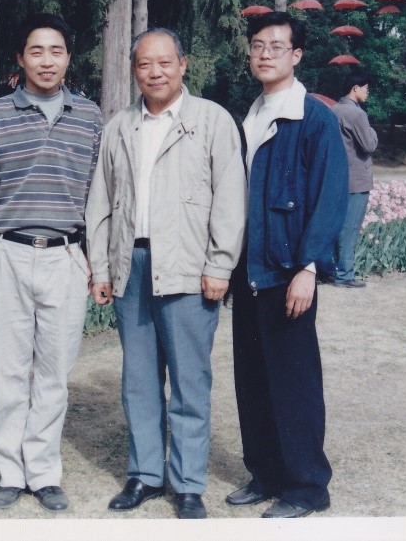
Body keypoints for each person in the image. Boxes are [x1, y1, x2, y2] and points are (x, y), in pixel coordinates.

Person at [85, 28, 246, 520]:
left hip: (189, 269)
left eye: (164, 63)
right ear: (134, 69)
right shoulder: (119, 127)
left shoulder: (212, 120)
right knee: (138, 379)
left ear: (183, 65)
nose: (154, 72)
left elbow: (230, 199)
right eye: (143, 64)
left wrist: (220, 264)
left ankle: (189, 482)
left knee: (190, 381)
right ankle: (145, 474)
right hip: (131, 266)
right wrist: (100, 267)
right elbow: (100, 201)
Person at [0, 14, 103, 513]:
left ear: (68, 58)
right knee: (8, 372)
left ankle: (44, 471)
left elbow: (97, 195)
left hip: (66, 256)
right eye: (36, 51)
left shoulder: (90, 117)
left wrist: (93, 261)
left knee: (53, 374)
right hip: (5, 253)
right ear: (20, 58)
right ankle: (9, 470)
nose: (46, 61)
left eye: (56, 51)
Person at [227, 11, 347, 519]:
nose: (265, 54)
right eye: (257, 45)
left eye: (277, 46)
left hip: (288, 271)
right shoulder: (250, 115)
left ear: (296, 55)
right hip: (249, 270)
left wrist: (308, 268)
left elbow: (330, 196)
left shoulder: (313, 118)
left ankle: (307, 485)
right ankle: (267, 473)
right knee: (253, 378)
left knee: (294, 382)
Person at [330, 67, 377, 289]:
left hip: (336, 178)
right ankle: (345, 275)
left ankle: (332, 270)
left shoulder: (333, 110)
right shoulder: (357, 114)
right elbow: (369, 145)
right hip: (357, 180)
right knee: (350, 229)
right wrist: (373, 131)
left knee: (336, 227)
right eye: (365, 88)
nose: (368, 92)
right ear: (355, 88)